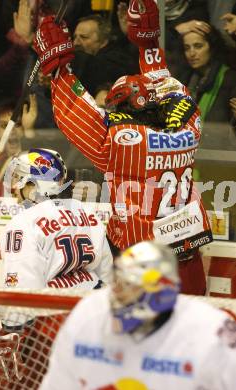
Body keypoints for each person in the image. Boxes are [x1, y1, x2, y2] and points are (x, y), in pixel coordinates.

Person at [32, 0, 212, 295]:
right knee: (191, 334)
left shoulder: (121, 143)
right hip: (187, 258)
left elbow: (77, 114)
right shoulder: (189, 123)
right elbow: (164, 85)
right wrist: (148, 43)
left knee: (141, 338)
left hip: (142, 264)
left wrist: (59, 68)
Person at [0, 147, 113, 389]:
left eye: (18, 180)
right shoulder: (87, 213)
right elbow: (106, 275)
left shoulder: (22, 224)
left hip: (51, 330)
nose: (14, 188)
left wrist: (11, 333)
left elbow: (23, 292)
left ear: (33, 184)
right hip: (95, 320)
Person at [40, 240, 236, 390]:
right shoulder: (89, 313)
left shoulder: (214, 332)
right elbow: (59, 382)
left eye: (130, 285)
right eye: (117, 282)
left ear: (162, 292)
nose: (116, 294)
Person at [179, 26, 236, 124]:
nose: (191, 53)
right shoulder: (185, 80)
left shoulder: (231, 79)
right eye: (187, 48)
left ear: (212, 48)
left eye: (198, 46)